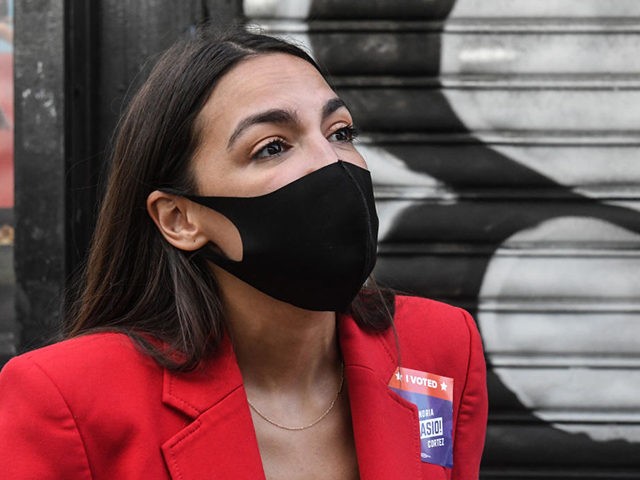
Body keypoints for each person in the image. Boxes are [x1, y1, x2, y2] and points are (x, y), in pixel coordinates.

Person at [0, 28, 487, 479]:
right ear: (179, 219)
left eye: (340, 132)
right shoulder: (67, 399)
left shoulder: (440, 347)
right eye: (273, 147)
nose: (332, 163)